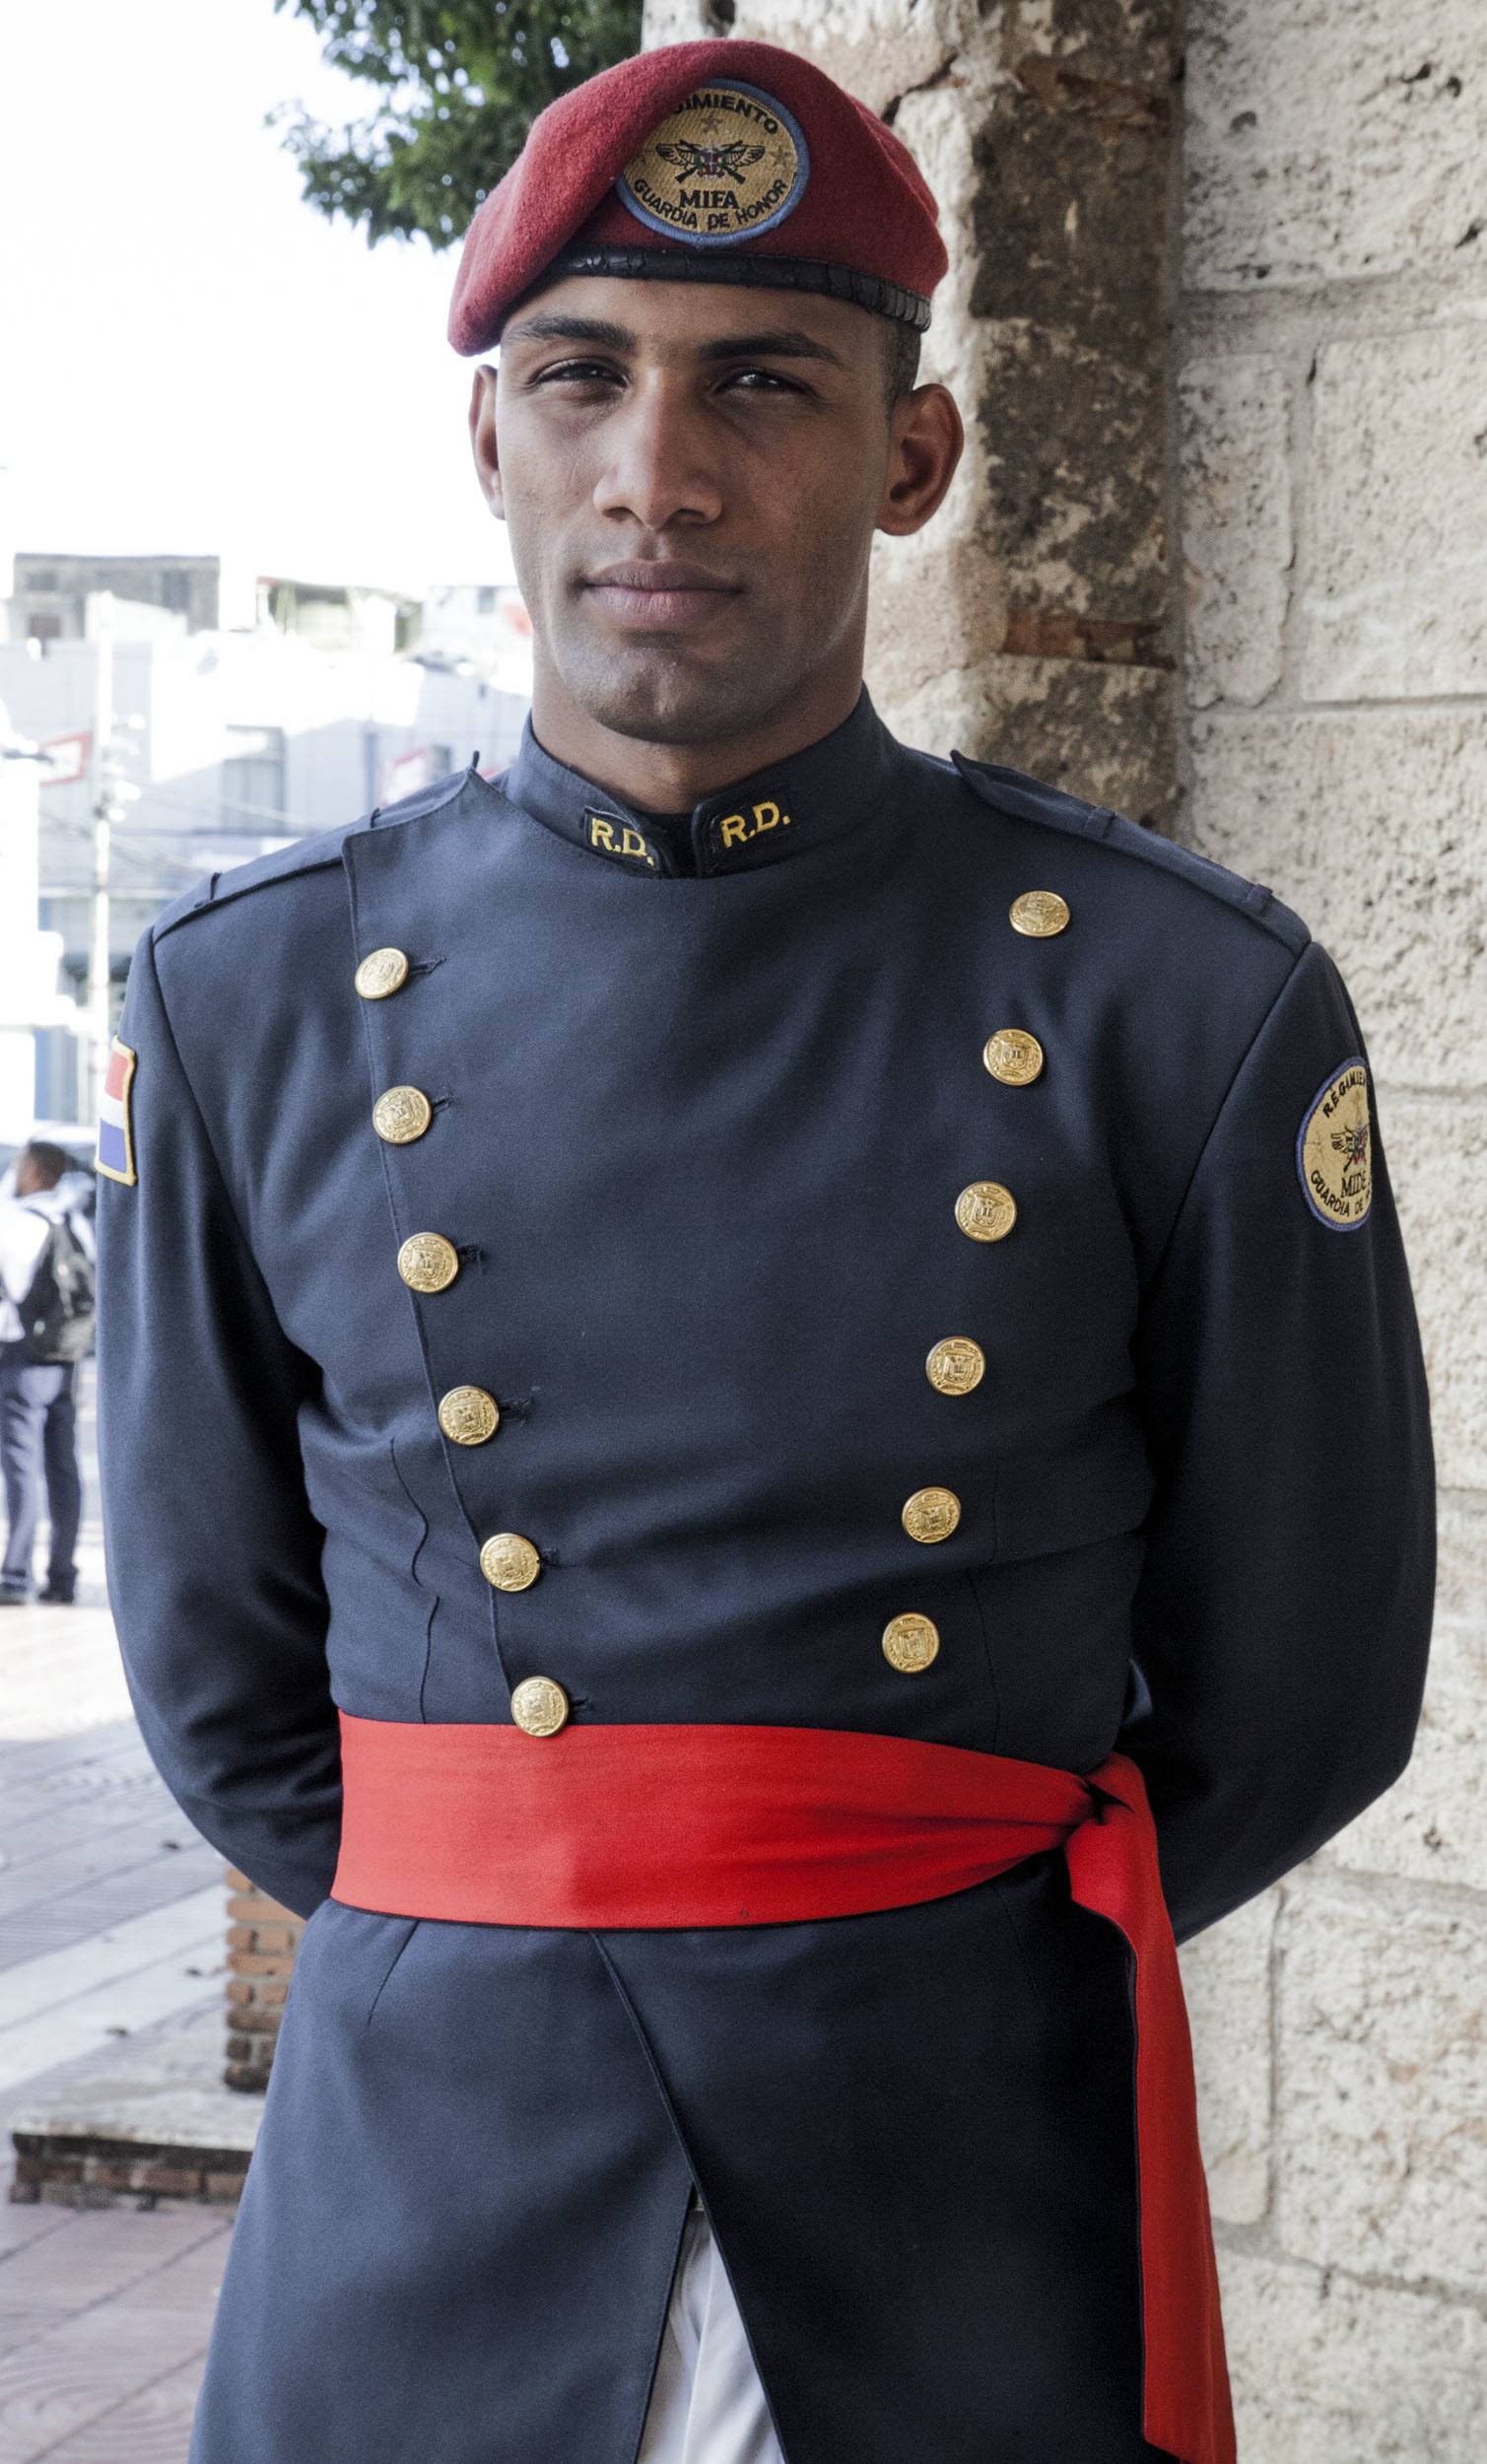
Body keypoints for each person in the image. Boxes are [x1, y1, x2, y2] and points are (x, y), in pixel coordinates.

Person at [94, 35, 1435, 2464]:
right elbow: (219, 1682)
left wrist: (899, 1926)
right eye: (577, 378)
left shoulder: (1176, 999)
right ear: (482, 441)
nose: (656, 473)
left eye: (764, 387)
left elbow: (1302, 1689)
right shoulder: (250, 994)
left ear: (910, 457)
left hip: (950, 2178)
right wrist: (536, 1907)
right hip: (434, 2180)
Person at [0, 1138, 94, 1608]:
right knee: (63, 1466)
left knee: (21, 1467)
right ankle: (62, 1576)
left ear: (34, 1171)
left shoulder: (15, 1223)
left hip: (21, 1358)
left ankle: (14, 1575)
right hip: (68, 1358)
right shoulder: (74, 1220)